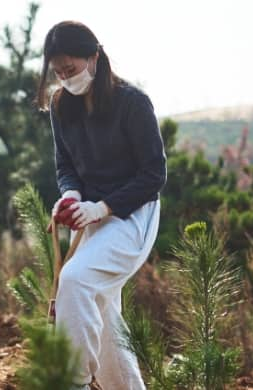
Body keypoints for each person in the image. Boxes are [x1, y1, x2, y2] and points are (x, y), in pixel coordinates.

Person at [36, 21, 167, 390]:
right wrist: (72, 196)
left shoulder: (133, 103)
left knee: (76, 283)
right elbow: (66, 166)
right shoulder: (60, 105)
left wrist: (104, 207)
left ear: (94, 56)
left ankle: (72, 382)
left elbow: (153, 175)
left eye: (71, 69)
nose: (65, 78)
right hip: (90, 216)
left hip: (132, 216)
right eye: (58, 72)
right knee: (102, 310)